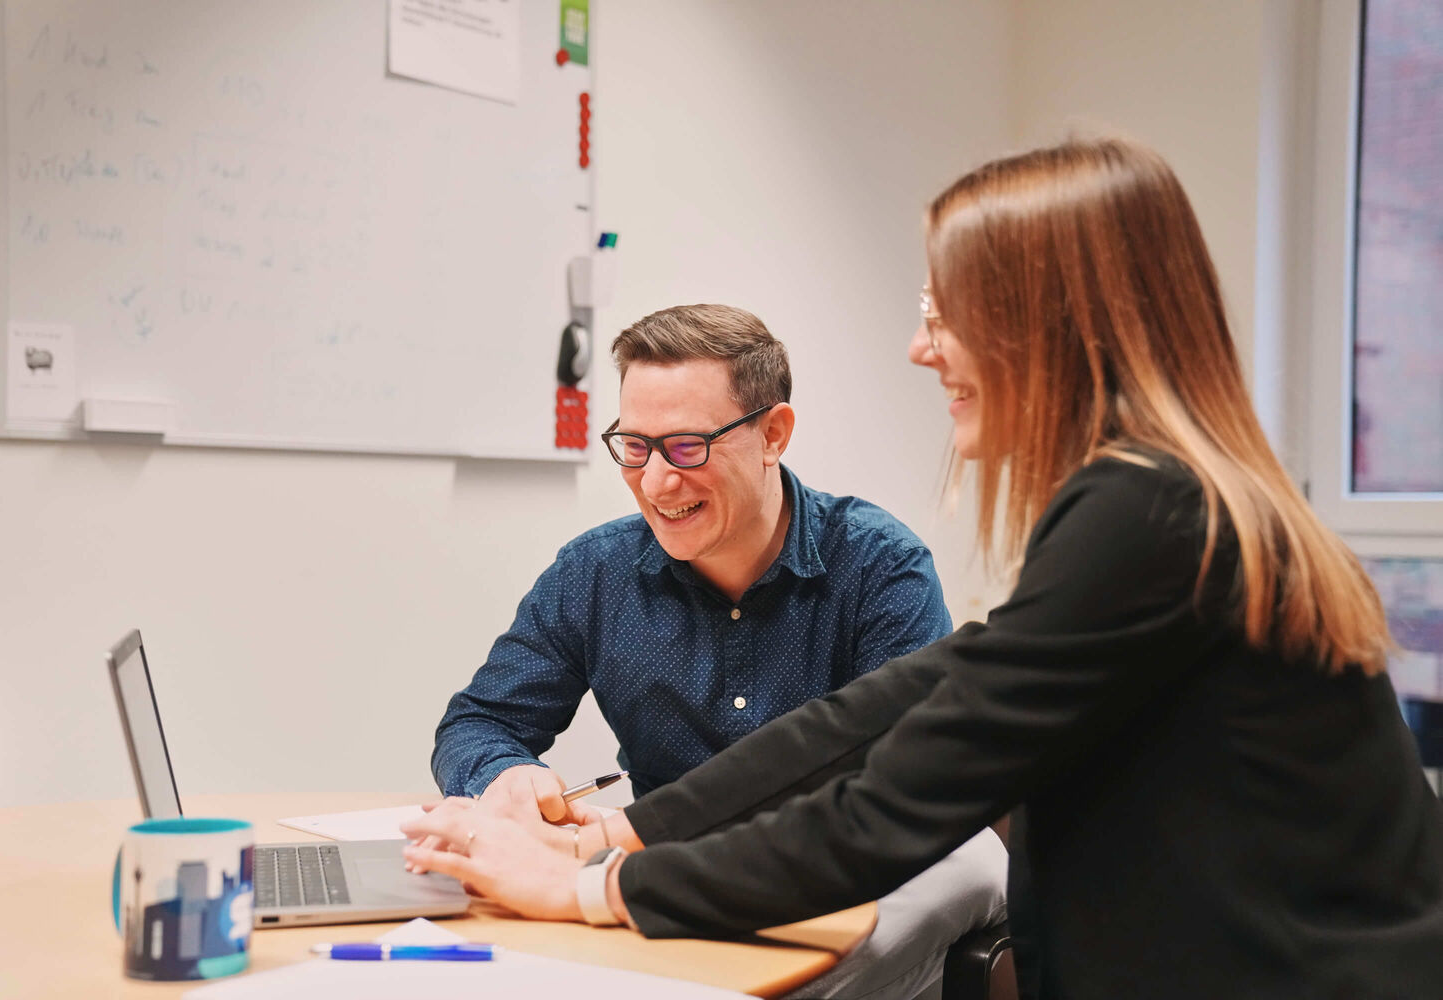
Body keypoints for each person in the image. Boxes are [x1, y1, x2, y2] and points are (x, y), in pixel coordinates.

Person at [401, 138, 1443, 999]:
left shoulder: (1145, 511)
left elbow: (888, 801)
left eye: (945, 313)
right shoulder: (1162, 498)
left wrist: (593, 885)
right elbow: (913, 693)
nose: (920, 346)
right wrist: (622, 826)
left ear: (1049, 324)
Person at [428, 303, 1008, 998]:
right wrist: (504, 775)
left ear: (773, 433)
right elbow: (477, 722)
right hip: (666, 876)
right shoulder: (596, 572)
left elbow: (891, 793)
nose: (655, 482)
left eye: (686, 447)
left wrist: (606, 849)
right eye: (635, 447)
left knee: (950, 875)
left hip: (843, 863)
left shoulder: (879, 567)